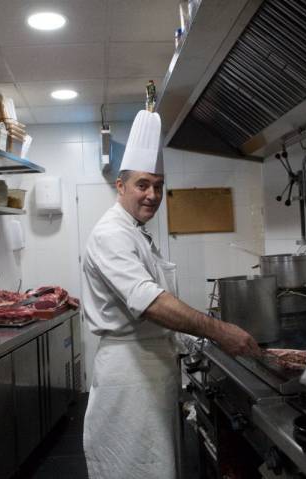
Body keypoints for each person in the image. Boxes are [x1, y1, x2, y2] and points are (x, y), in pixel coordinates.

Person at [82, 110, 260, 479]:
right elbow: (150, 302)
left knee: (153, 467)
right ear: (121, 186)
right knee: (134, 469)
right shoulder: (111, 234)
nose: (152, 195)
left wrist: (193, 336)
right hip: (130, 378)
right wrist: (218, 330)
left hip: (148, 370)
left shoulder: (134, 231)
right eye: (143, 185)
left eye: (159, 186)